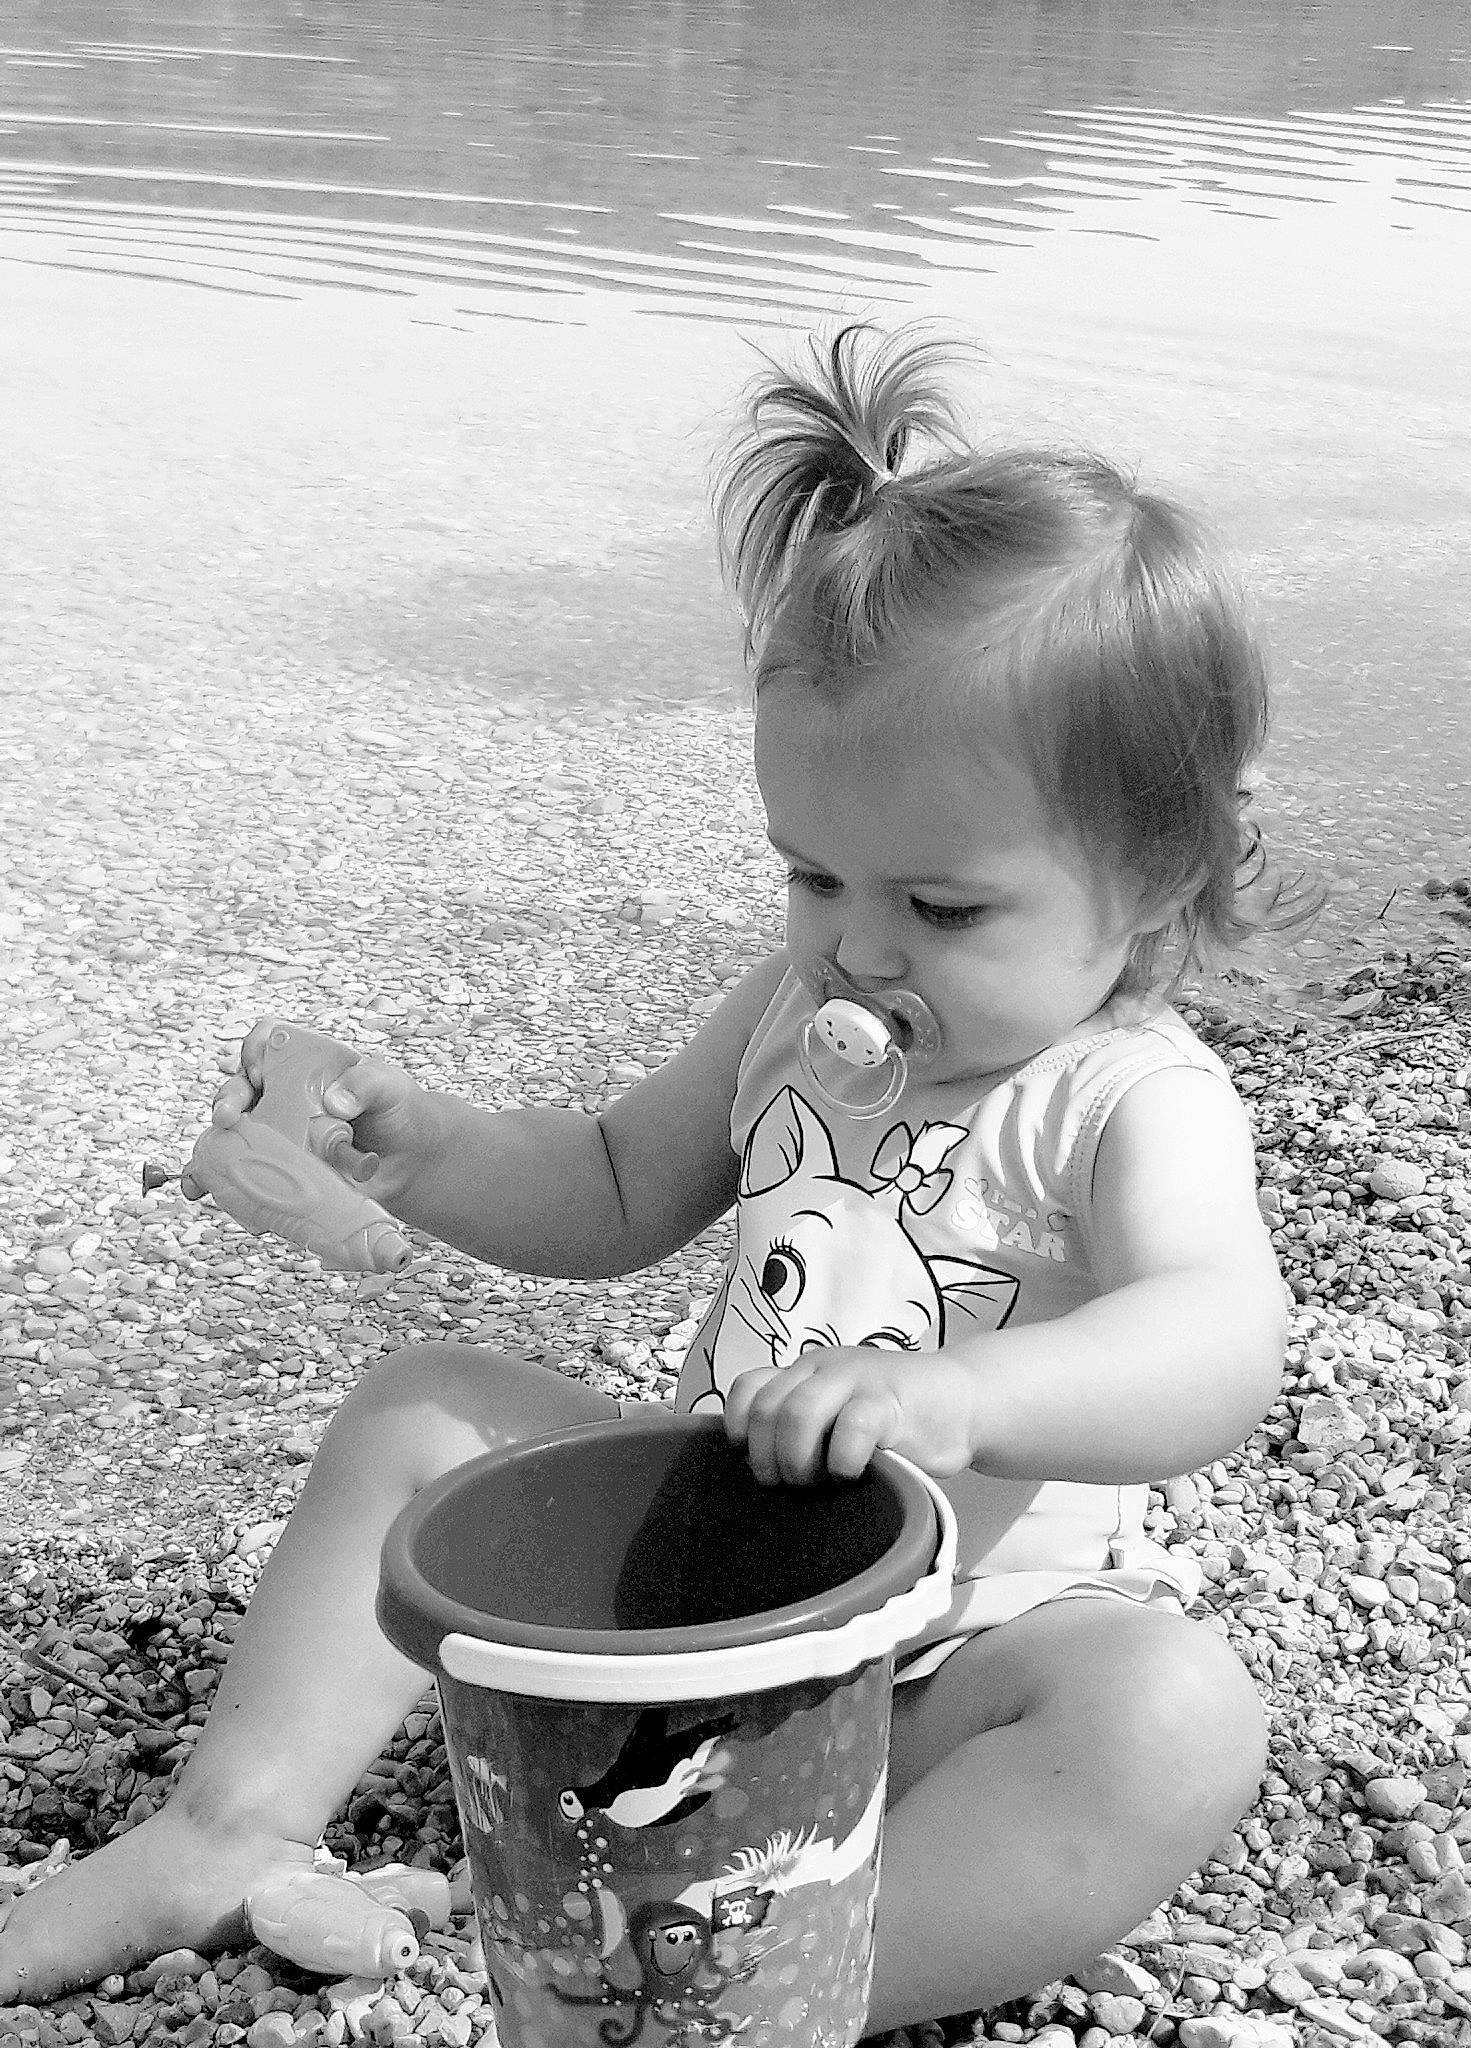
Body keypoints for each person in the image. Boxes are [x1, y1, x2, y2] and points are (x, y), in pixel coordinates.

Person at [0, 323, 1289, 2033]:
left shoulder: (1125, 1098)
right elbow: (613, 1187)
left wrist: (958, 1397)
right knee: (425, 1405)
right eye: (812, 876)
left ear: (1158, 881)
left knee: (1175, 1716)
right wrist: (420, 1147)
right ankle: (221, 1831)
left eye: (946, 909)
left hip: (937, 1670)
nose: (858, 946)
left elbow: (1221, 1340)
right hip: (678, 1621)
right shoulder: (791, 1006)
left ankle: (790, 1989)